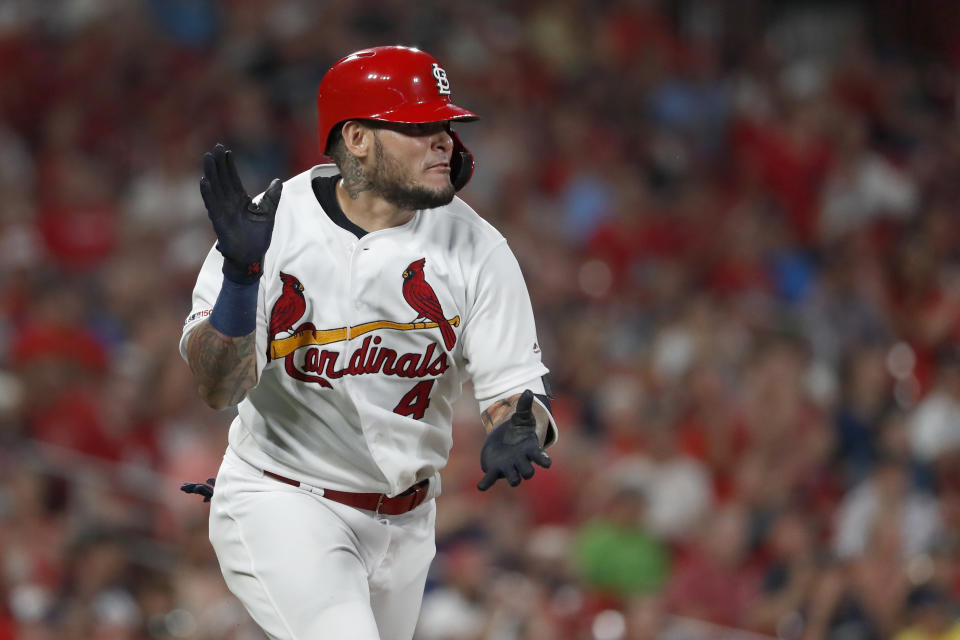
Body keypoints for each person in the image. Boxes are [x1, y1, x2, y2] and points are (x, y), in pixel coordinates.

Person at [178, 45, 558, 640]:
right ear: (356, 138)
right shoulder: (270, 226)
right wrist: (240, 278)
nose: (444, 141)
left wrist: (517, 425)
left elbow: (516, 397)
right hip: (284, 498)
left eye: (446, 126)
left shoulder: (478, 247)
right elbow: (216, 386)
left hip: (408, 524)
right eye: (420, 126)